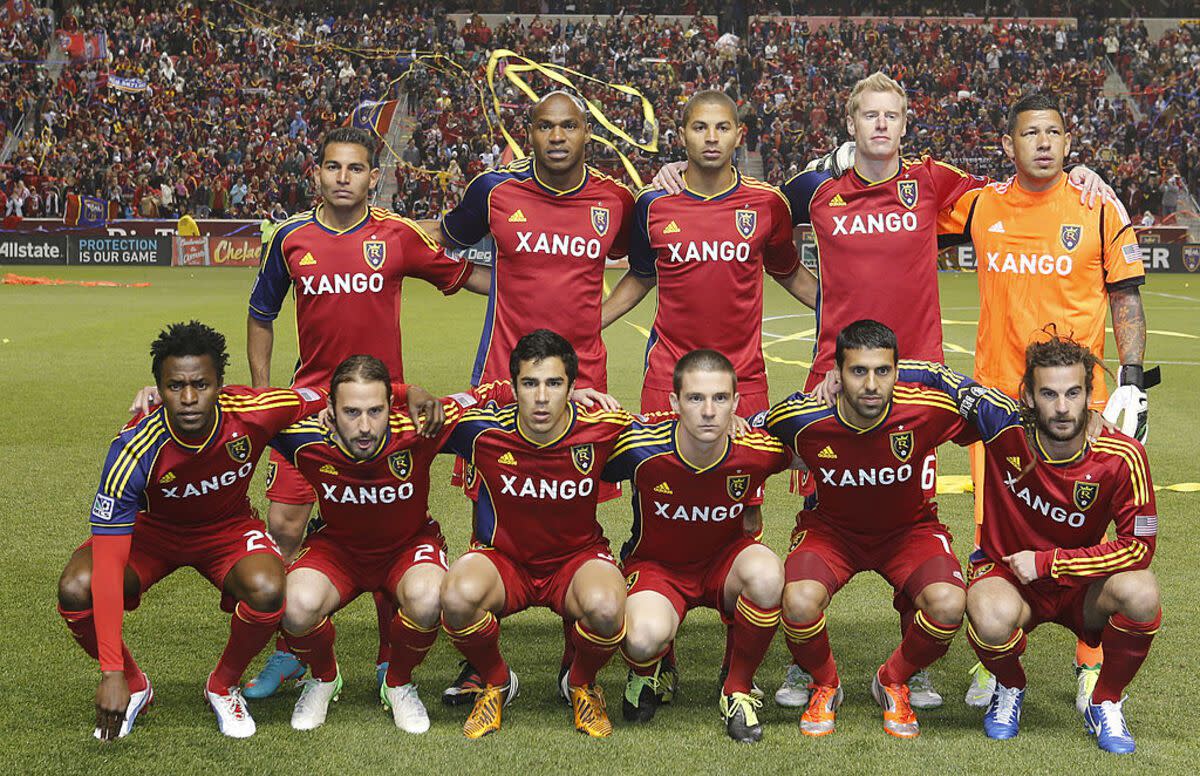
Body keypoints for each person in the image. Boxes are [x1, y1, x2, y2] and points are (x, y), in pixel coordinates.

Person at [656, 70, 1111, 709]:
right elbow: (744, 199)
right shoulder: (813, 190)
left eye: (890, 116)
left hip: (916, 383)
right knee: (818, 508)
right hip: (834, 379)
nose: (879, 126)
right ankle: (801, 660)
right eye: (868, 115)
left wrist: (1081, 174)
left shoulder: (929, 181)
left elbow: (1014, 190)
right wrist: (681, 169)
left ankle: (913, 664)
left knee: (911, 512)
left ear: (903, 124)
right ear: (851, 125)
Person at [244, 127, 487, 697]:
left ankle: (386, 658)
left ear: (373, 177)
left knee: (387, 527)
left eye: (355, 169)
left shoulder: (396, 235)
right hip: (309, 408)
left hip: (381, 411)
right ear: (318, 174)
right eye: (333, 167)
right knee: (283, 526)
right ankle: (290, 652)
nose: (343, 178)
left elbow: (458, 275)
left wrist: (529, 285)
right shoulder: (290, 239)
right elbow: (261, 314)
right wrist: (263, 396)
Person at [419, 90, 635, 701]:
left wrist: (598, 316)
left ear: (586, 134)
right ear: (530, 134)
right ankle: (480, 662)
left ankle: (578, 651)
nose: (558, 137)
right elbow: (442, 242)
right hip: (501, 380)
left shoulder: (615, 200)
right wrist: (486, 283)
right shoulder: (494, 191)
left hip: (584, 382)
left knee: (574, 503)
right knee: (494, 501)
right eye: (546, 127)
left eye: (570, 126)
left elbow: (642, 265)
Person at [939, 92, 1151, 710]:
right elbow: (910, 205)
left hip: (1077, 407)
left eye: (1054, 132)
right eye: (1030, 133)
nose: (1043, 143)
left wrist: (1132, 378)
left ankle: (1091, 661)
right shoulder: (981, 206)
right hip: (1001, 410)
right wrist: (845, 158)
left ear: (1068, 141)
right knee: (996, 531)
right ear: (1009, 145)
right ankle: (1000, 657)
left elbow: (1126, 296)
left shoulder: (1099, 205)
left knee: (1086, 527)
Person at [57, 321, 328, 740]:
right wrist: (111, 670)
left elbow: (326, 395)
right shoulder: (132, 448)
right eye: (174, 386)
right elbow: (110, 563)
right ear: (158, 389)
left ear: (221, 383)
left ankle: (222, 685)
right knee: (78, 586)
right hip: (152, 535)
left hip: (227, 530)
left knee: (270, 589)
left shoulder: (255, 409)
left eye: (200, 385)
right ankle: (133, 686)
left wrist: (406, 396)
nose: (187, 399)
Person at [898, 337, 1160, 754]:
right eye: (1049, 394)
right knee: (986, 611)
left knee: (1142, 591)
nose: (1061, 407)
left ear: (1090, 395)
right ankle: (1011, 686)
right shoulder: (1004, 424)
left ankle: (1105, 700)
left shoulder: (1121, 455)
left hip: (1077, 585)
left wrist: (1048, 563)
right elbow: (938, 378)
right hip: (1008, 578)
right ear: (1028, 396)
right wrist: (851, 373)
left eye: (1074, 393)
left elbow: (1138, 549)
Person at [761, 320, 976, 739]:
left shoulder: (927, 409)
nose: (872, 384)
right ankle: (826, 683)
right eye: (858, 371)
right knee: (797, 601)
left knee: (949, 605)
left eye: (883, 371)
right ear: (836, 374)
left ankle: (892, 680)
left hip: (908, 532)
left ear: (898, 371)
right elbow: (749, 433)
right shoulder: (802, 416)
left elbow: (995, 421)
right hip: (832, 533)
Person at [438, 330, 632, 739]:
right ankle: (497, 681)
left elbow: (673, 432)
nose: (541, 397)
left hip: (575, 561)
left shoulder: (603, 427)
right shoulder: (482, 430)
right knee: (456, 597)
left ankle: (579, 683)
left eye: (554, 384)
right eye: (529, 383)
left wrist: (732, 423)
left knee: (608, 607)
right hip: (505, 562)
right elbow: (424, 413)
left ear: (573, 388)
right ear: (513, 388)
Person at [602, 349, 791, 743]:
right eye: (695, 398)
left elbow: (817, 441)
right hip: (659, 568)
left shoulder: (756, 448)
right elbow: (571, 441)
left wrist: (838, 390)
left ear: (736, 404)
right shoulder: (639, 447)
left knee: (768, 572)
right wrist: (572, 397)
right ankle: (651, 668)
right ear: (674, 403)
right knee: (641, 638)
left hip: (724, 565)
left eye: (720, 399)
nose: (708, 411)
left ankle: (736, 687)